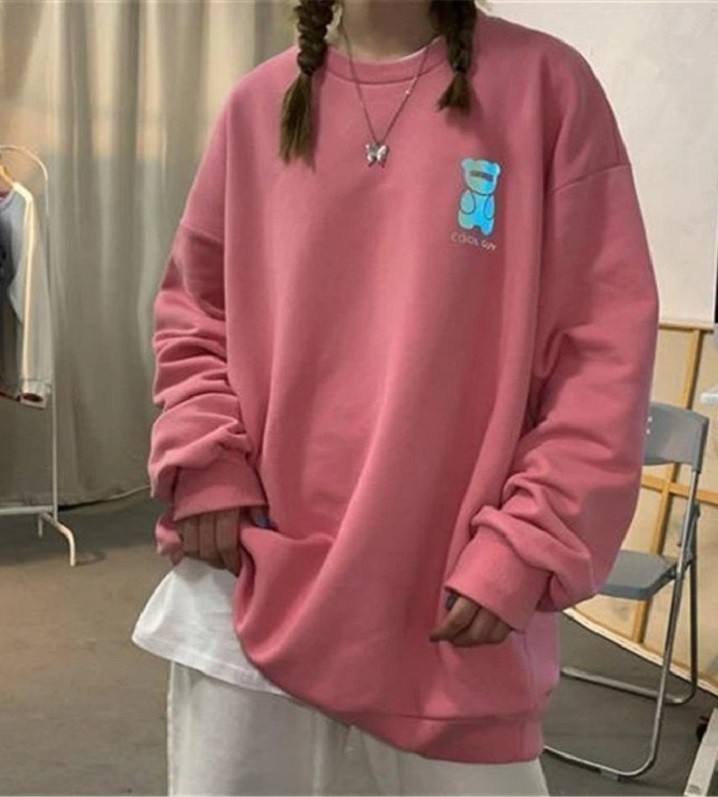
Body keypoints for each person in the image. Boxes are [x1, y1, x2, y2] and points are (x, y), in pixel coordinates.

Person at [131, 0, 660, 794]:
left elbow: (603, 351)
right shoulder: (257, 107)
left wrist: (530, 539)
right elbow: (195, 312)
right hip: (249, 568)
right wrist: (206, 462)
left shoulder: (547, 88)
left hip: (455, 597)